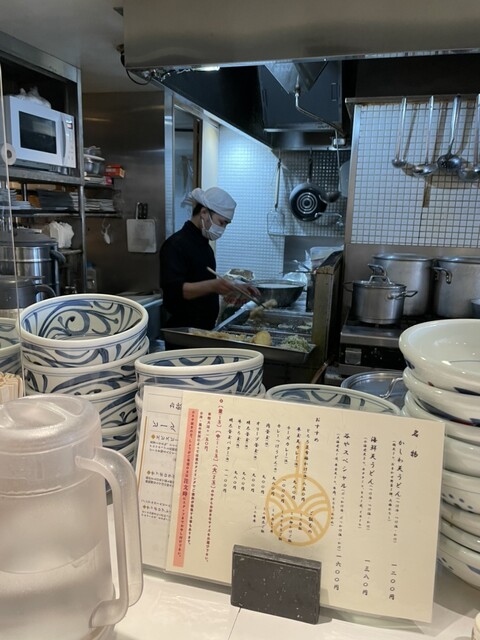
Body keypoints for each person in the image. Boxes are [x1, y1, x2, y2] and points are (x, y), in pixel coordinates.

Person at [160, 187, 259, 330]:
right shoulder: (175, 245)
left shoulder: (205, 247)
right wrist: (214, 285)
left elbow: (202, 282)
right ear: (204, 213)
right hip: (182, 331)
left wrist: (235, 286)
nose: (222, 229)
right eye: (221, 222)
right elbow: (174, 291)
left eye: (226, 224)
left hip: (203, 329)